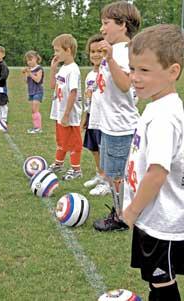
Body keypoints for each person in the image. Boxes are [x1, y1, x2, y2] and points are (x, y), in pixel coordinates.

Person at [122, 24, 184, 301]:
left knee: (162, 284)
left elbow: (158, 172)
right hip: (157, 217)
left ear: (173, 72)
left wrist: (132, 211)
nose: (135, 77)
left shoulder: (163, 116)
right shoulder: (160, 106)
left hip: (161, 221)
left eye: (144, 71)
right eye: (132, 69)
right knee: (158, 281)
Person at [93, 1, 141, 231]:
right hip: (109, 124)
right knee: (112, 174)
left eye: (106, 23)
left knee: (117, 176)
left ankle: (121, 217)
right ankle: (120, 210)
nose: (102, 29)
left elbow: (124, 85)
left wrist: (110, 59)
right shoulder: (116, 50)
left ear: (122, 24)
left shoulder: (122, 52)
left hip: (120, 127)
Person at [49, 33, 83, 181]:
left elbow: (73, 92)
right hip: (59, 111)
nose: (55, 54)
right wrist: (53, 69)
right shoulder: (63, 68)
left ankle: (76, 169)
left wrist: (67, 114)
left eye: (57, 50)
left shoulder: (73, 70)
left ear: (68, 50)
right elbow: (52, 86)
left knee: (74, 142)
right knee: (61, 140)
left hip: (69, 114)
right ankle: (58, 164)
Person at [82, 34, 110, 195]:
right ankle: (100, 175)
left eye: (100, 51)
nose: (96, 54)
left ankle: (107, 181)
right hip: (92, 117)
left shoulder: (107, 73)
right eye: (93, 51)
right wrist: (86, 116)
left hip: (104, 119)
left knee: (104, 149)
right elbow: (88, 98)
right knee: (94, 149)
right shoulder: (90, 75)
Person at [22, 50, 44, 134]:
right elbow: (26, 81)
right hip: (31, 91)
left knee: (35, 109)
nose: (29, 62)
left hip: (38, 91)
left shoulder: (39, 68)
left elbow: (38, 80)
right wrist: (25, 74)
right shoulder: (30, 69)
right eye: (28, 60)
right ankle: (35, 127)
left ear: (36, 59)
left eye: (31, 59)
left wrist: (30, 73)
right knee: (33, 110)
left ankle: (38, 128)